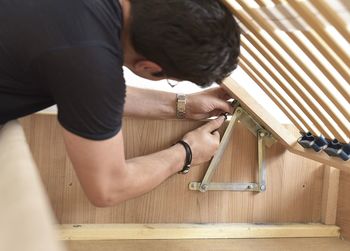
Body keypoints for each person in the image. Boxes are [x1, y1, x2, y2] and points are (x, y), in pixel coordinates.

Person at [0, 0, 241, 207]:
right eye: (172, 81)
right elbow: (108, 188)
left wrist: (182, 105)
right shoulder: (90, 66)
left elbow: (89, 96)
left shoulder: (88, 34)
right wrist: (186, 153)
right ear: (148, 67)